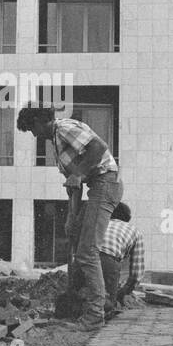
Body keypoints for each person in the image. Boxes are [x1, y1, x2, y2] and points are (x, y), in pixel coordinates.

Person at [16, 105, 122, 331]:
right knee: (77, 241)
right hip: (96, 187)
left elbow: (99, 147)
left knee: (87, 251)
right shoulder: (56, 143)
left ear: (40, 120)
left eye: (32, 129)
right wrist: (71, 217)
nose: (34, 135)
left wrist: (80, 173)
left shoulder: (64, 128)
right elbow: (73, 186)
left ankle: (95, 314)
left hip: (106, 184)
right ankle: (80, 304)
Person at [99, 202, 145, 317]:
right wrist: (124, 292)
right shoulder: (135, 231)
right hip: (108, 258)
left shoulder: (101, 223)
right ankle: (101, 318)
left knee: (81, 291)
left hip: (85, 256)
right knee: (109, 302)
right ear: (127, 219)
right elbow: (136, 273)